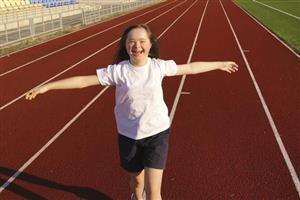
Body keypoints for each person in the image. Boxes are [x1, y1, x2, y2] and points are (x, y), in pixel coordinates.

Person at [26, 24, 238, 200]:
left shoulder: (159, 67)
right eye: (131, 42)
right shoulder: (119, 71)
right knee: (137, 183)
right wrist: (48, 86)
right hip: (129, 136)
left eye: (142, 41)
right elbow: (83, 81)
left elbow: (190, 68)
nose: (137, 46)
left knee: (154, 193)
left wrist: (219, 64)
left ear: (150, 44)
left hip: (157, 133)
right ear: (126, 46)